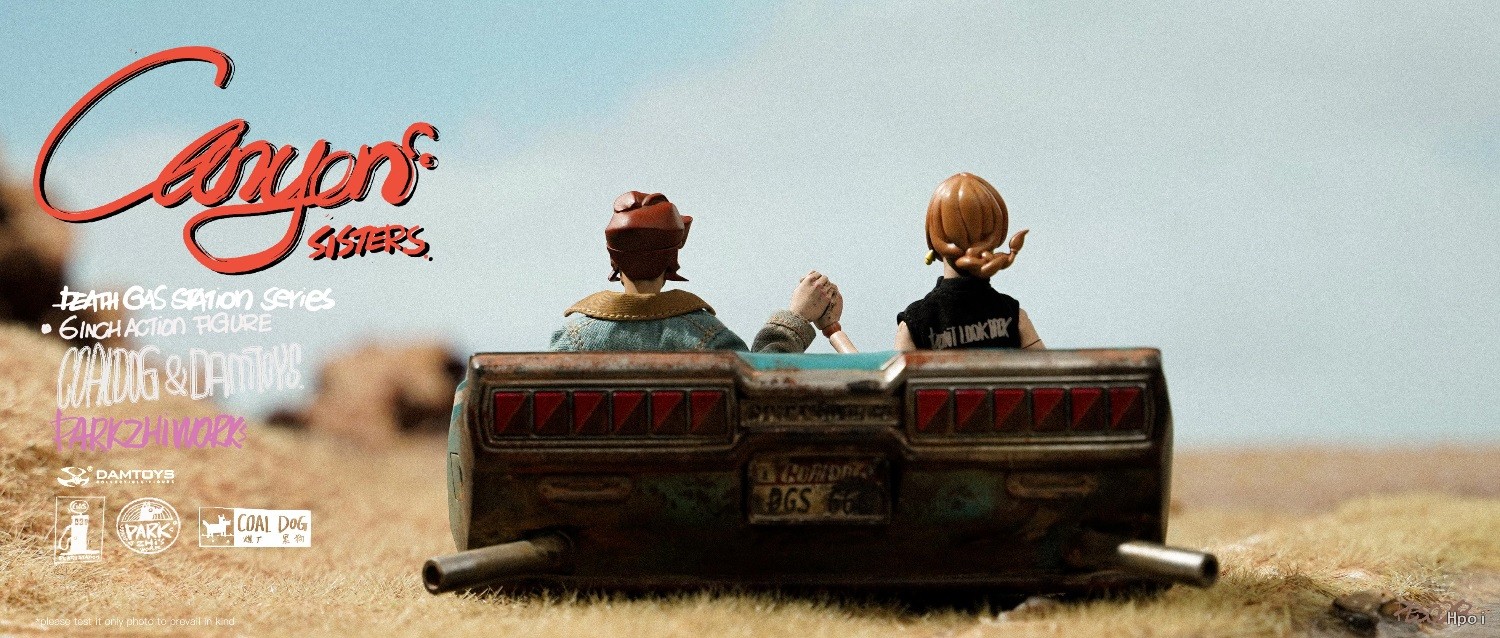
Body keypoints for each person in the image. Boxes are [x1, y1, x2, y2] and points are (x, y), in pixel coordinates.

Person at [550, 191, 842, 352]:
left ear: (614, 260)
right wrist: (797, 316)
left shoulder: (572, 339)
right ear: (672, 259)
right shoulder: (708, 337)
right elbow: (761, 386)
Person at [895, 173, 1044, 351]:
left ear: (934, 241)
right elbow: (1047, 367)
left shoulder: (914, 323)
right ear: (996, 236)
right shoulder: (1013, 315)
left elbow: (898, 369)